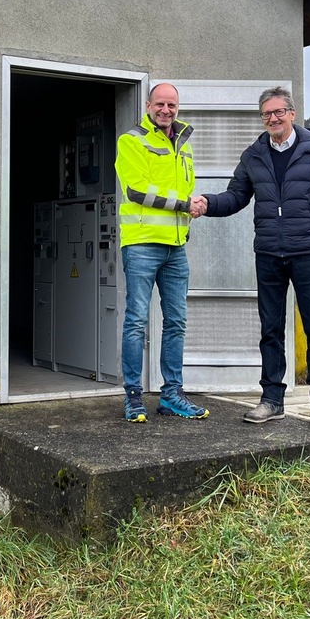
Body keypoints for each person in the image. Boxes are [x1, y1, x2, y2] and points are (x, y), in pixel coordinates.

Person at [189, 86, 310, 428]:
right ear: (262, 118)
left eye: (278, 112)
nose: (273, 119)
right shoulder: (253, 156)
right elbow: (236, 196)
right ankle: (272, 399)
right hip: (269, 254)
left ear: (291, 113)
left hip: (307, 252)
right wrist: (207, 203)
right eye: (266, 114)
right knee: (270, 329)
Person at [114, 82, 208, 423]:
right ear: (148, 104)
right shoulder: (132, 140)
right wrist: (185, 203)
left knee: (177, 322)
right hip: (141, 244)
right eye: (160, 104)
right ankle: (133, 397)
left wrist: (193, 206)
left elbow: (185, 188)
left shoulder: (184, 144)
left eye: (172, 105)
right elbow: (137, 190)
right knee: (137, 322)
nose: (166, 110)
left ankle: (171, 396)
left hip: (176, 247)